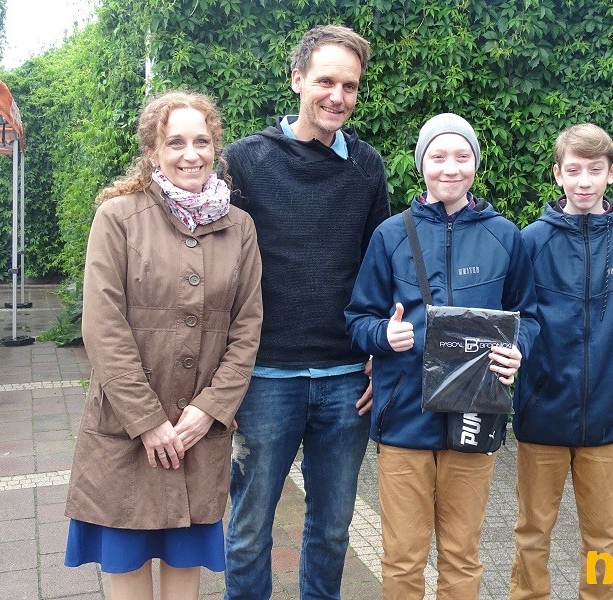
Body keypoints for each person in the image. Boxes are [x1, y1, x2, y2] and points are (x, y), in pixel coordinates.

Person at [63, 90, 263, 600]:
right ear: (152, 151)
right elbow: (103, 327)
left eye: (202, 141)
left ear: (215, 148)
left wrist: (211, 408)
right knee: (126, 560)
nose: (190, 154)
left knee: (185, 562)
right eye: (175, 142)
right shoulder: (118, 217)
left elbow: (247, 327)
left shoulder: (239, 227)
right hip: (128, 431)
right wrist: (148, 420)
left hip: (197, 433)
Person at [220, 25, 390, 600]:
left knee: (332, 532)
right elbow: (217, 272)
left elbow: (380, 269)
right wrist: (221, 379)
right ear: (297, 80)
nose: (337, 96)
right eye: (325, 81)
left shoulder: (367, 167)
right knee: (249, 531)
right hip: (264, 376)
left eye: (350, 86)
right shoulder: (244, 161)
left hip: (346, 380)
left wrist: (378, 357)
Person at [345, 113, 540, 600]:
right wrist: (383, 335)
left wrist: (517, 350)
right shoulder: (391, 235)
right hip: (404, 417)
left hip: (475, 416)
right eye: (438, 156)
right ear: (421, 164)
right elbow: (358, 318)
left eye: (462, 156)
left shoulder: (505, 236)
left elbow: (529, 316)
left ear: (475, 162)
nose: (450, 167)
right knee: (403, 558)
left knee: (461, 555)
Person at [509, 123, 613, 600]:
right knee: (532, 531)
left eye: (595, 170)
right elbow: (520, 320)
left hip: (608, 416)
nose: (584, 181)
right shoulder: (530, 242)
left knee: (602, 537)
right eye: (573, 170)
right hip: (542, 412)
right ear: (557, 174)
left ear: (612, 172)